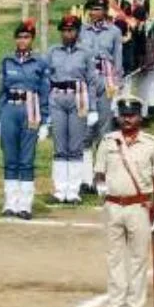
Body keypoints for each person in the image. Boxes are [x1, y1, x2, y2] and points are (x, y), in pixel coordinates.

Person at [93, 95, 154, 307]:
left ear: (140, 117)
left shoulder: (152, 144)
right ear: (117, 117)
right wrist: (103, 192)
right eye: (123, 116)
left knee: (138, 259)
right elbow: (99, 173)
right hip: (114, 205)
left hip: (139, 206)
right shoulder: (108, 142)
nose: (127, 120)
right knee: (114, 259)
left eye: (131, 115)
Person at [0, 20, 50, 220]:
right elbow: (1, 90)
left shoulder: (40, 63)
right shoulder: (8, 61)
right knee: (10, 158)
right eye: (19, 37)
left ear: (32, 39)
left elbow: (44, 92)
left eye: (26, 37)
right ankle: (10, 202)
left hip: (30, 110)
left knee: (26, 159)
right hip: (10, 108)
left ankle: (25, 204)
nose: (22, 40)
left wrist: (44, 121)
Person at [44, 15, 101, 205]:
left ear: (77, 32)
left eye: (72, 30)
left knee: (76, 145)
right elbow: (46, 78)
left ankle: (74, 190)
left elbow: (92, 81)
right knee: (60, 145)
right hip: (57, 98)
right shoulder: (52, 51)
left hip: (79, 98)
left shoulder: (85, 52)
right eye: (65, 31)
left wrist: (92, 108)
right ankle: (60, 189)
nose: (68, 34)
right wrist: (45, 106)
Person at [80, 0, 123, 195]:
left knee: (104, 131)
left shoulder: (114, 32)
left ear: (105, 10)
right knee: (85, 131)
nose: (94, 12)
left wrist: (118, 88)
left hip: (107, 83)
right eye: (91, 9)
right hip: (87, 83)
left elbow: (117, 61)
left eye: (98, 8)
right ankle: (85, 179)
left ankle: (101, 178)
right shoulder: (82, 31)